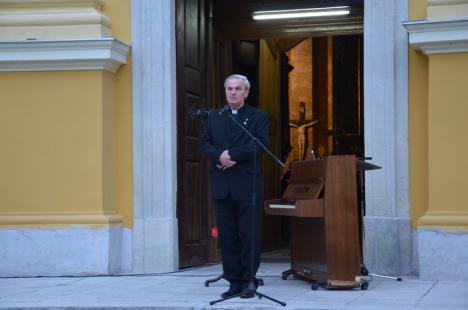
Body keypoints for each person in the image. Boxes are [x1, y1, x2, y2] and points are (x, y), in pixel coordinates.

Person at [198, 74, 269, 299]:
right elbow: (203, 143)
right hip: (222, 185)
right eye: (229, 88)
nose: (233, 92)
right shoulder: (214, 117)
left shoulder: (258, 116)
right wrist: (220, 156)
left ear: (246, 92)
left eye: (238, 89)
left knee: (249, 236)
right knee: (227, 237)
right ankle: (233, 281)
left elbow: (260, 144)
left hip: (247, 185)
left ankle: (249, 281)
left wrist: (233, 155)